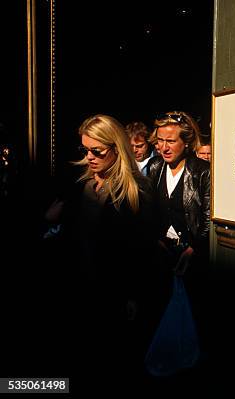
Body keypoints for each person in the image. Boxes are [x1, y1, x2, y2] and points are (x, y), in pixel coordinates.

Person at [59, 114, 158, 390]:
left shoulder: (137, 190)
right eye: (85, 150)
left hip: (115, 292)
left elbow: (141, 250)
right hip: (81, 286)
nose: (89, 157)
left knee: (114, 364)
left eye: (97, 151)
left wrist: (134, 294)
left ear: (116, 148)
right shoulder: (82, 184)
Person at [147, 111, 210, 334]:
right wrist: (156, 240)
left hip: (193, 256)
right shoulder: (155, 167)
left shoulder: (202, 172)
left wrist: (194, 249)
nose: (163, 147)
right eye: (160, 140)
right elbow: (148, 212)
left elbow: (208, 218)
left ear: (186, 142)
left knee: (193, 317)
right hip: (162, 252)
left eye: (171, 141)